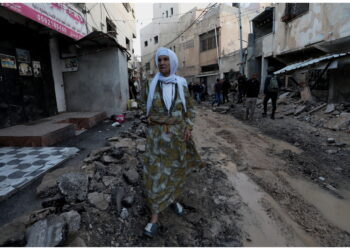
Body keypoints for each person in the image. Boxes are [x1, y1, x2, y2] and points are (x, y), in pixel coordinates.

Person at [140, 47, 203, 238]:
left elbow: (190, 109)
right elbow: (143, 105)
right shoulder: (150, 84)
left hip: (177, 139)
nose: (161, 63)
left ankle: (173, 200)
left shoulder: (181, 84)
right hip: (156, 140)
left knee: (175, 171)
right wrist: (150, 118)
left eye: (165, 59)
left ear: (172, 62)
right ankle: (154, 217)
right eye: (159, 60)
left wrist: (188, 127)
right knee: (155, 174)